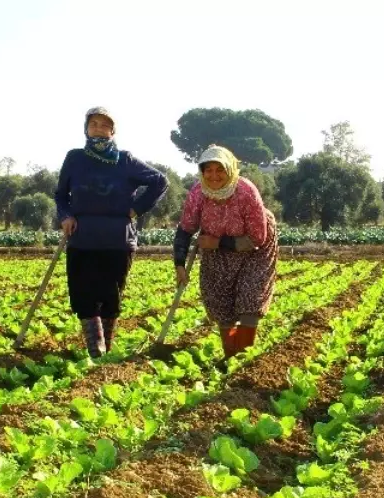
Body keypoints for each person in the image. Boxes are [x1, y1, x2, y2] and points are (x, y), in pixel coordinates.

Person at [55, 107, 168, 358]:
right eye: (93, 124)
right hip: (82, 237)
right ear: (86, 128)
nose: (98, 129)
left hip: (117, 239)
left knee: (110, 295)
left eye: (104, 125)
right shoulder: (75, 158)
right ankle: (96, 350)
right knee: (83, 294)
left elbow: (159, 181)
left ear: (113, 131)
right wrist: (65, 216)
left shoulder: (125, 160)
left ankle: (105, 349)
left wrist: (137, 208)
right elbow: (61, 194)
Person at [172, 145, 278, 360]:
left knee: (250, 297)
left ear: (230, 169)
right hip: (215, 244)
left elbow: (257, 238)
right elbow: (185, 229)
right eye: (208, 170)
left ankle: (243, 353)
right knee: (219, 298)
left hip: (255, 247)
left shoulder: (246, 191)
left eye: (219, 169)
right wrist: (179, 264)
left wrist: (217, 242)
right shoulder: (197, 192)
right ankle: (230, 353)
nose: (213, 175)